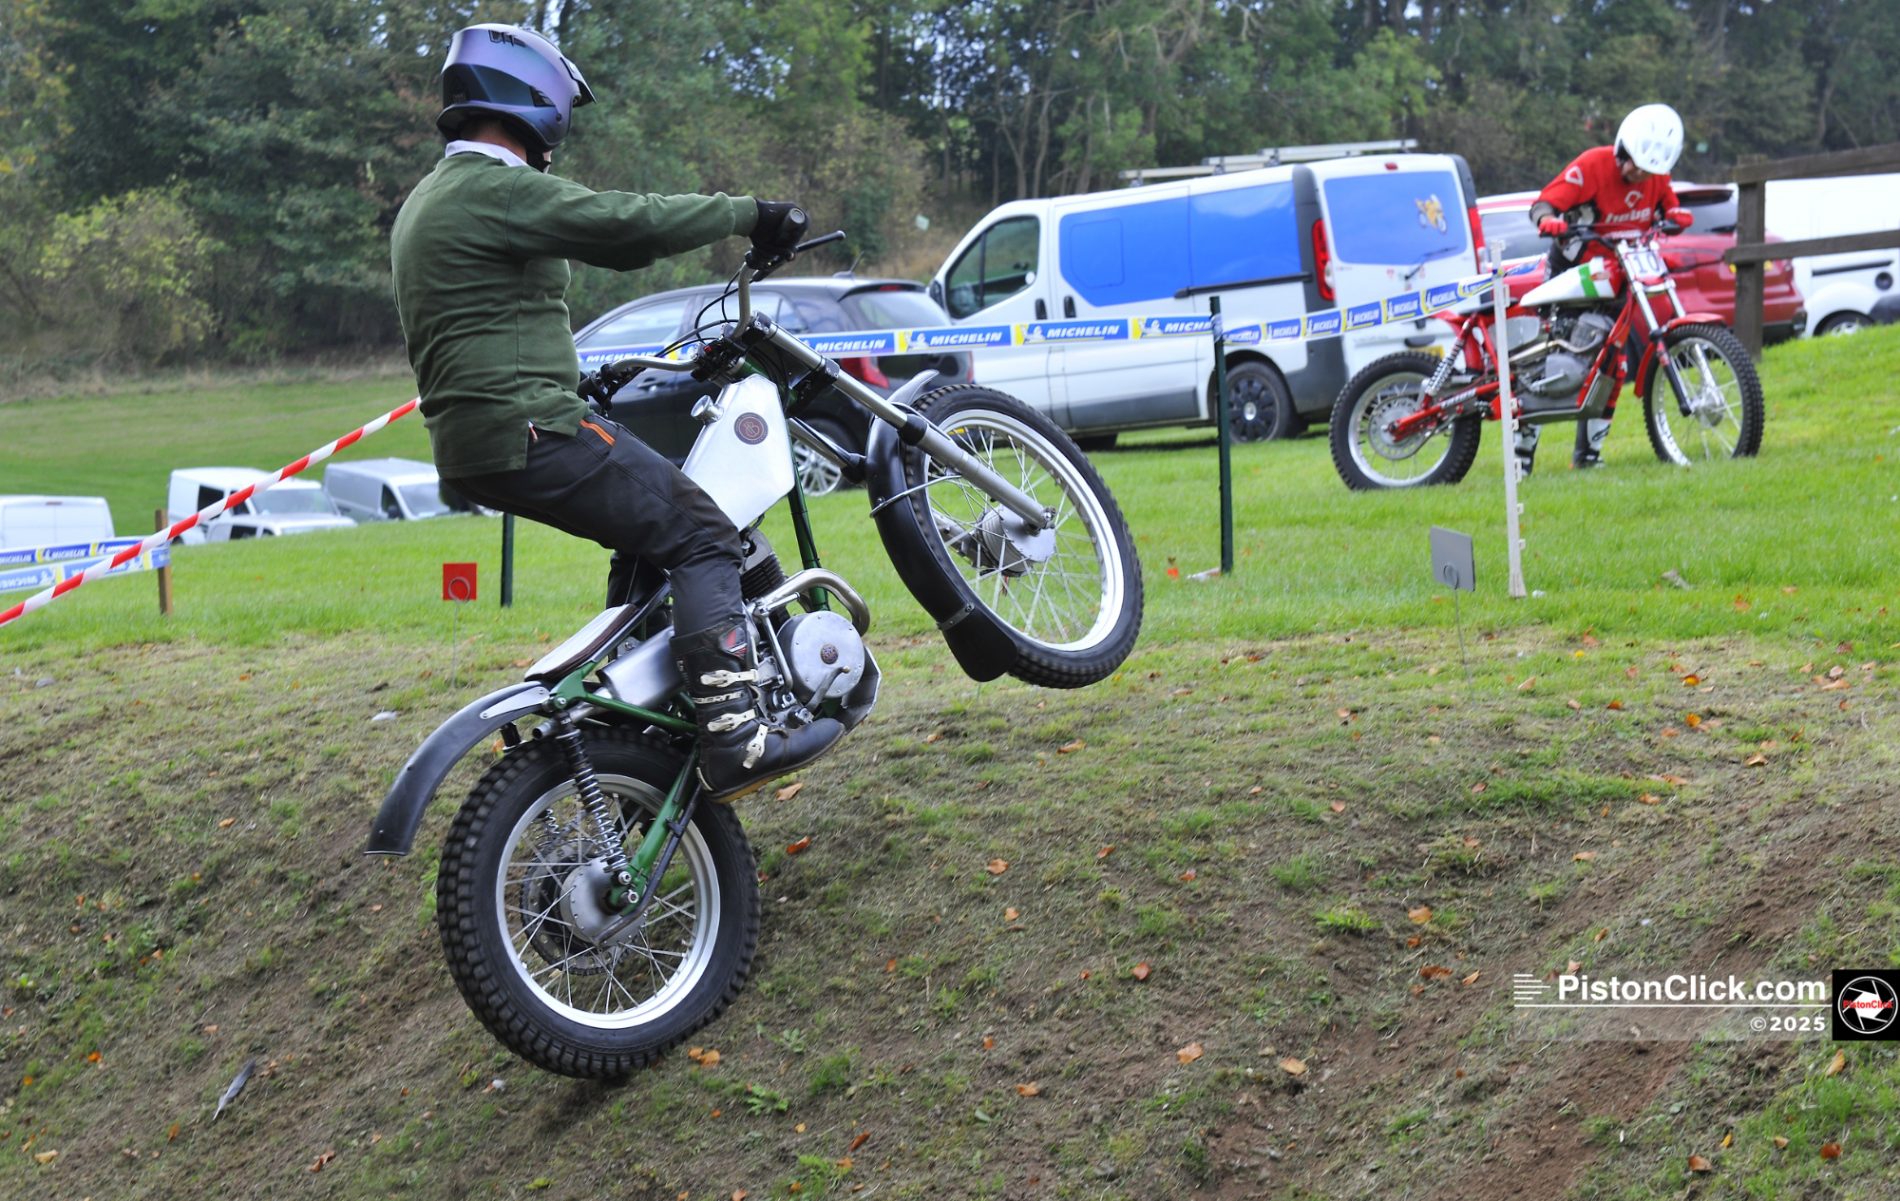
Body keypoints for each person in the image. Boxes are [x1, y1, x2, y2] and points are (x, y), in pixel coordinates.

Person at [389, 23, 842, 800]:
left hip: (480, 437)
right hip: (529, 426)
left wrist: (580, 381)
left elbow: (486, 322)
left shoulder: (429, 198)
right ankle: (736, 731)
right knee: (704, 534)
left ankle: (632, 731)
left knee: (647, 544)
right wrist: (748, 212)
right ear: (533, 104)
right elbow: (625, 225)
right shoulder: (495, 187)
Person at [1515, 103, 1694, 475]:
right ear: (1622, 150)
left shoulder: (1657, 176)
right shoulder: (1592, 165)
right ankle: (1522, 458)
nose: (1640, 175)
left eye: (1648, 171)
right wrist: (1548, 220)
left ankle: (1589, 456)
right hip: (1573, 272)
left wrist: (1676, 216)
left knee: (1614, 366)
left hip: (1620, 276)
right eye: (1635, 166)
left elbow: (1669, 208)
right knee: (1546, 362)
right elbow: (1543, 204)